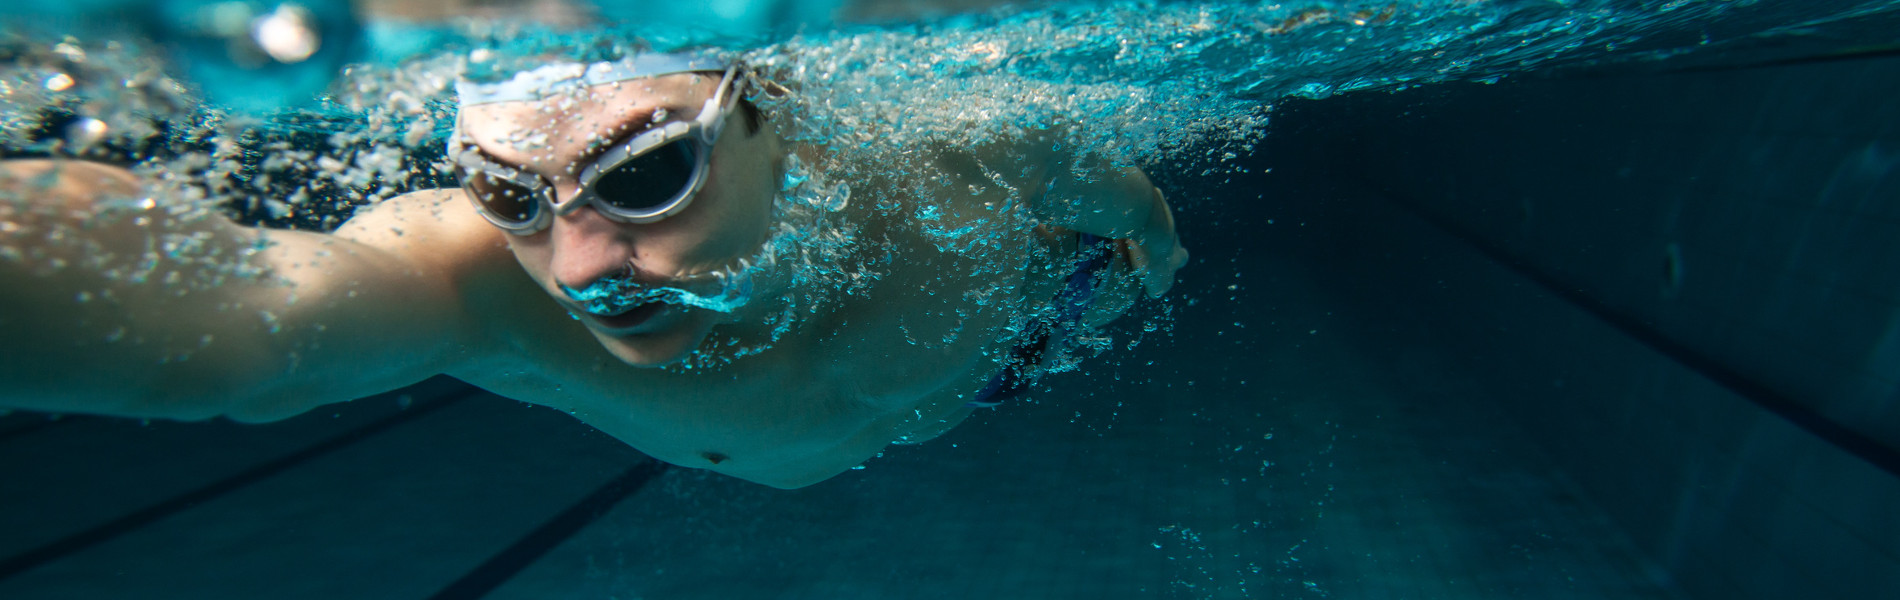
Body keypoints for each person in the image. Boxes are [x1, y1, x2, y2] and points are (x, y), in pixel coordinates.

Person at [0, 51, 1186, 488]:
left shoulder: (971, 148)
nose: (573, 266)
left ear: (771, 104)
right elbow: (248, 328)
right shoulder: (473, 282)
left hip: (1023, 338)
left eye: (644, 172)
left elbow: (1116, 200)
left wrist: (1160, 254)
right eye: (509, 193)